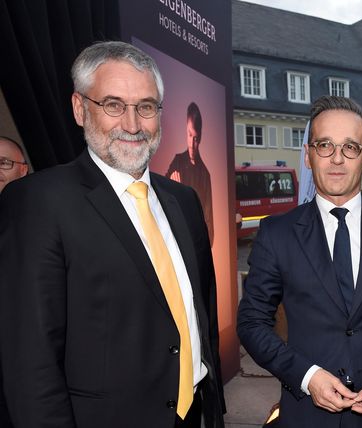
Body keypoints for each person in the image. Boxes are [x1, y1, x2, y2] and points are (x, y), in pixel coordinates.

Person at [0, 41, 225, 428]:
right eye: (113, 105)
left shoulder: (184, 201)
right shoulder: (38, 202)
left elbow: (198, 316)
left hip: (191, 415)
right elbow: (30, 361)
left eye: (146, 107)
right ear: (79, 108)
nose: (132, 124)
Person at [237, 95, 362, 428]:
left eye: (350, 147)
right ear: (308, 155)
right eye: (324, 145)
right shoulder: (277, 233)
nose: (336, 158)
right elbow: (252, 322)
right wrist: (307, 376)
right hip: (306, 415)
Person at [166, 102, 214, 245]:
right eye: (189, 135)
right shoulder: (177, 161)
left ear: (201, 138)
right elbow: (159, 200)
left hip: (196, 242)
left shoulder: (205, 175)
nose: (192, 143)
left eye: (196, 138)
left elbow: (208, 220)